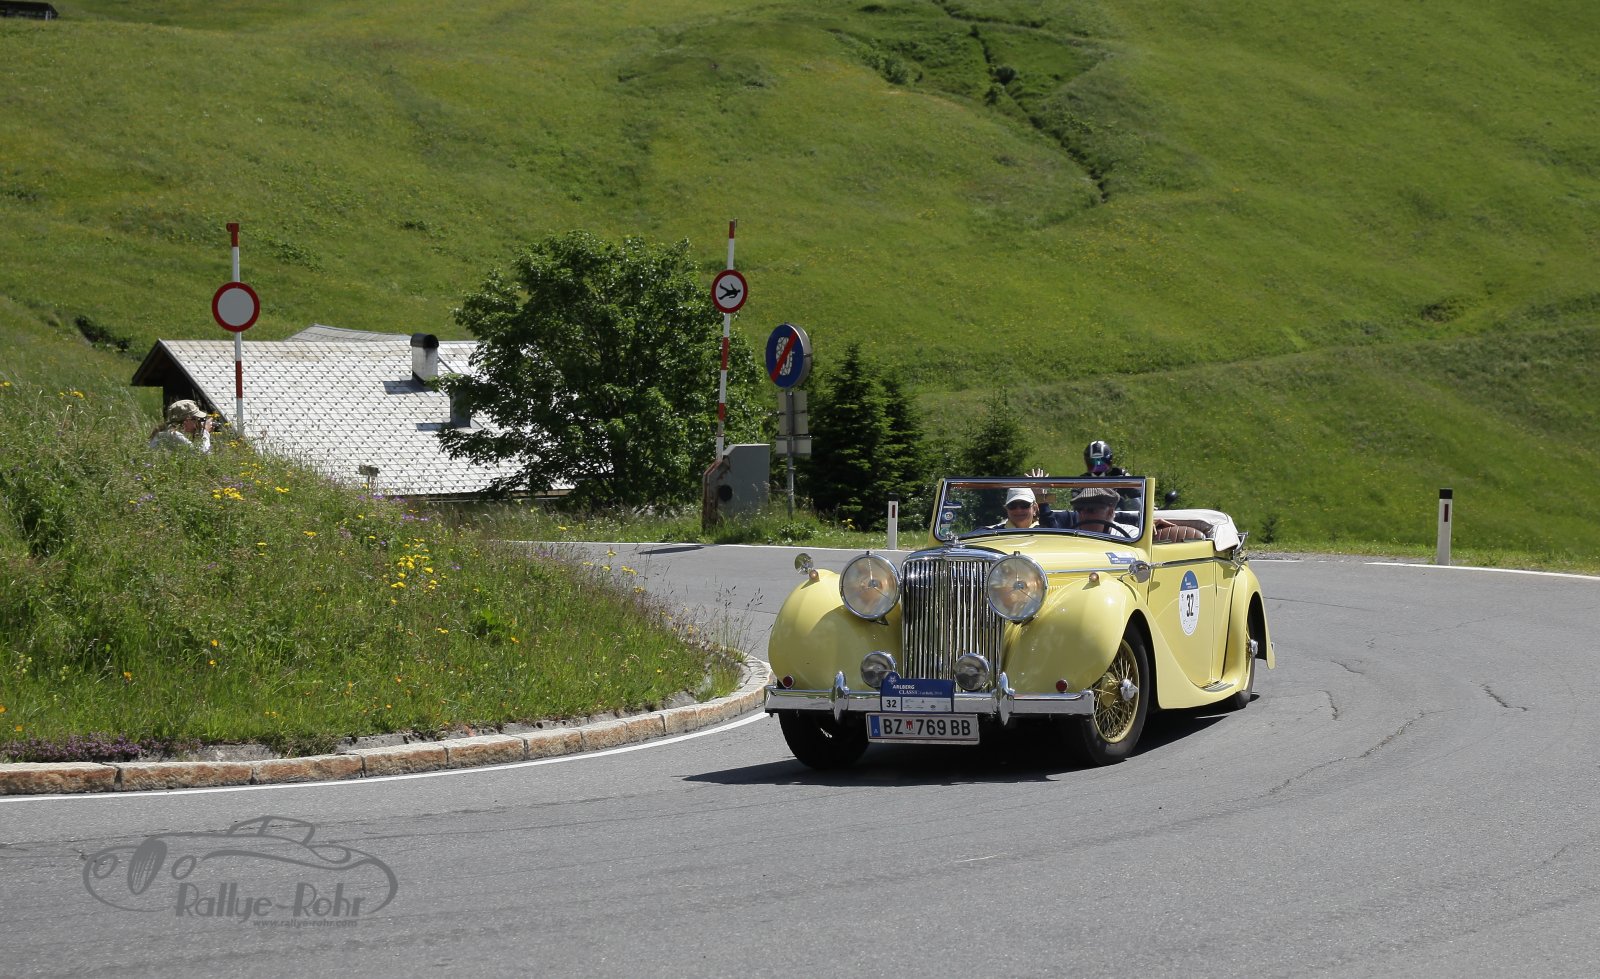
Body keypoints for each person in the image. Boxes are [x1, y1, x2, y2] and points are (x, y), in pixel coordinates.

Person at [1069, 485, 1139, 538]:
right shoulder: (1071, 537)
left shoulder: (1131, 535)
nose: (1083, 515)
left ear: (1110, 512)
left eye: (1091, 510)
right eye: (1079, 509)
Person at [149, 399, 215, 453]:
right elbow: (202, 453)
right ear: (186, 420)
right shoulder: (173, 434)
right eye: (196, 419)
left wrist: (198, 433)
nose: (198, 422)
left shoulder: (169, 431)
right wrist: (205, 431)